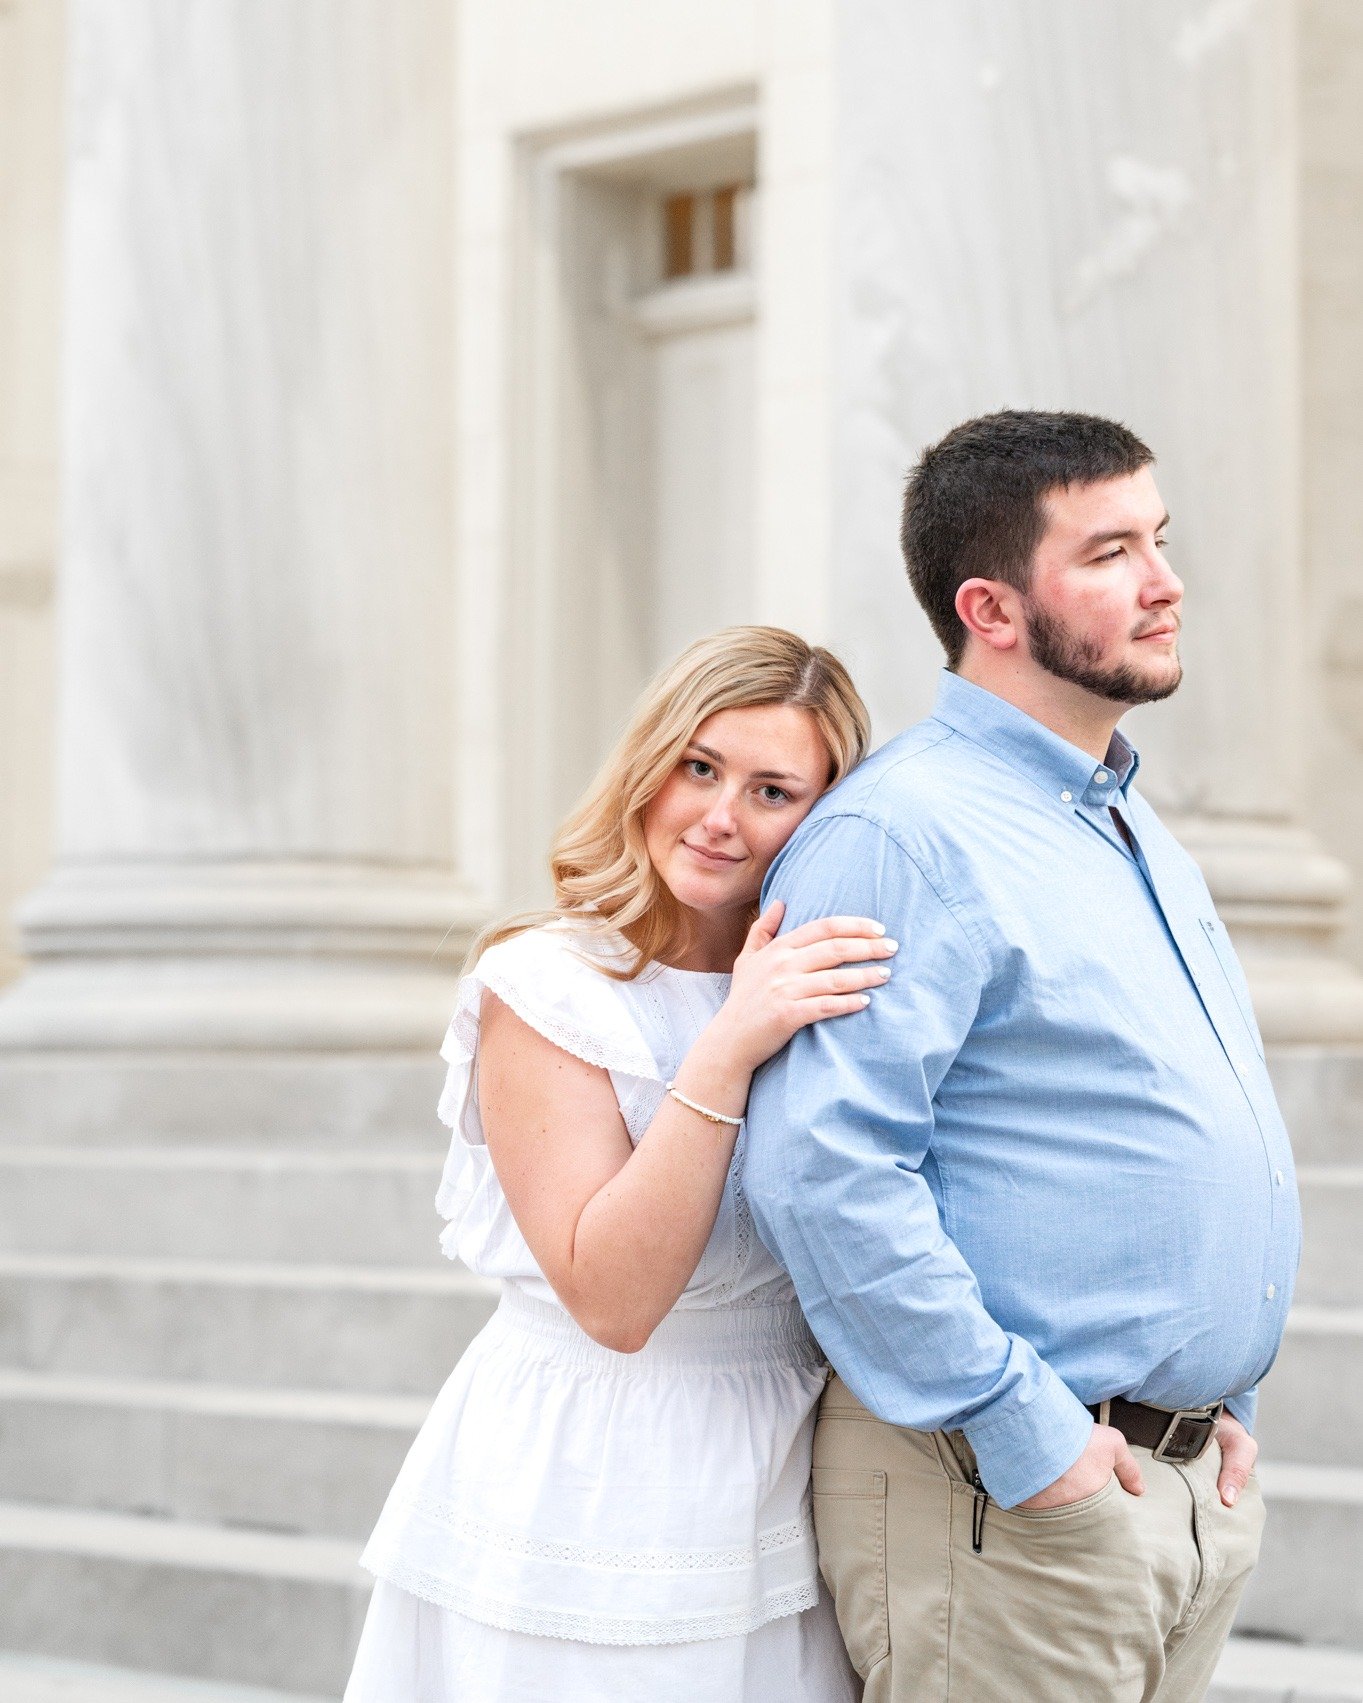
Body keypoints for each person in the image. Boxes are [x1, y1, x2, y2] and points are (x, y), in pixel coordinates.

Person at [744, 410, 1301, 1703]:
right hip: (1005, 1494)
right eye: (1107, 551)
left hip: (1166, 1482)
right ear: (989, 606)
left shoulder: (1120, 820)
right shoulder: (903, 831)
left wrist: (1210, 1405)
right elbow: (825, 1173)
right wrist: (1027, 1434)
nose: (1162, 582)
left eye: (1157, 541)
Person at [345, 626, 884, 1702]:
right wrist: (730, 1042)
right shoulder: (547, 983)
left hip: (788, 1458)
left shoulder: (818, 981)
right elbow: (615, 1297)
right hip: (594, 1463)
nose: (721, 815)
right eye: (699, 766)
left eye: (772, 789)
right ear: (649, 766)